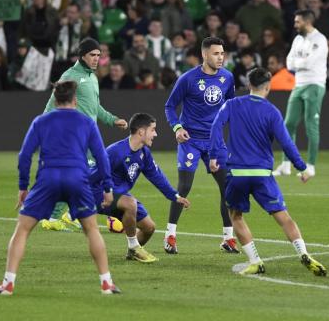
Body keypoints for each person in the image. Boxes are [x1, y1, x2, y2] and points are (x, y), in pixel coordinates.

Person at [0, 81, 120, 296]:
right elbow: (101, 156)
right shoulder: (86, 122)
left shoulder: (41, 121)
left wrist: (23, 186)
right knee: (91, 229)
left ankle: (8, 283)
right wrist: (107, 187)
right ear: (76, 100)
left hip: (47, 179)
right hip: (78, 179)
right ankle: (106, 282)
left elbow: (24, 156)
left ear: (55, 99)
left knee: (22, 229)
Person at [208, 67, 327, 277]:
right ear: (268, 87)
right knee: (284, 217)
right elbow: (286, 143)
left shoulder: (232, 104)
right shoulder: (272, 111)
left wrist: (215, 156)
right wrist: (302, 168)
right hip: (263, 174)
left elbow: (215, 127)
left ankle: (255, 261)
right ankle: (303, 253)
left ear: (249, 85)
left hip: (237, 174)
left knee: (235, 216)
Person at [41, 38, 128, 231]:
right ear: (82, 56)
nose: (97, 59)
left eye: (99, 55)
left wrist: (112, 119)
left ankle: (68, 214)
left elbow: (94, 106)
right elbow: (51, 104)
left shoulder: (92, 77)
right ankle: (54, 217)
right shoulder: (71, 75)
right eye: (92, 55)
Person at [163, 37, 237, 254]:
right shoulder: (188, 79)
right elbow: (169, 106)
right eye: (216, 54)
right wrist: (177, 128)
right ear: (204, 55)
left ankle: (228, 238)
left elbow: (230, 106)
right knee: (184, 186)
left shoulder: (228, 77)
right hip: (191, 141)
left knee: (228, 188)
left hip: (214, 142)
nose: (221, 57)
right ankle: (170, 235)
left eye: (222, 53)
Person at [90, 113, 191, 263]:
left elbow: (157, 177)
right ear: (141, 132)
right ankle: (134, 248)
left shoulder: (144, 153)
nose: (155, 134)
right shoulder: (116, 151)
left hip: (120, 195)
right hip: (99, 193)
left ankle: (132, 252)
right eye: (153, 130)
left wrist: (175, 196)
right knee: (130, 203)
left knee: (149, 228)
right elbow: (93, 176)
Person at [273, 10, 328, 181]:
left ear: (307, 22)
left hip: (314, 84)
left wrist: (300, 63)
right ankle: (285, 164)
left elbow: (311, 63)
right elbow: (289, 63)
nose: (295, 25)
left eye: (298, 22)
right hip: (299, 85)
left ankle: (310, 166)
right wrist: (301, 63)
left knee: (311, 124)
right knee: (288, 123)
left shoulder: (320, 40)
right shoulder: (298, 39)